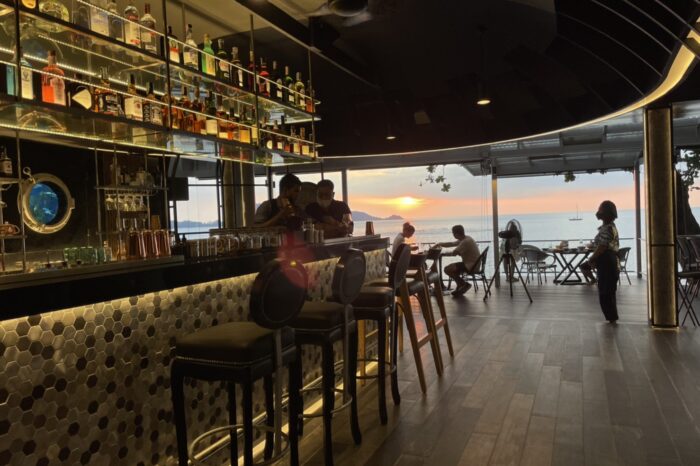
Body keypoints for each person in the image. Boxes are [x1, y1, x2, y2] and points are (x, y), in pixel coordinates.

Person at [580, 200, 620, 323]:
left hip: (607, 261)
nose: (598, 212)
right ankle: (612, 318)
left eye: (600, 209)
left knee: (606, 291)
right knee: (608, 290)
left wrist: (592, 258)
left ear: (606, 212)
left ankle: (612, 318)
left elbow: (602, 246)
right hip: (608, 261)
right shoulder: (609, 227)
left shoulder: (607, 228)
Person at [438, 225, 481, 296]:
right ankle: (460, 286)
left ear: (456, 234)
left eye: (453, 233)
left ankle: (463, 284)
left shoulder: (465, 242)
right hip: (473, 264)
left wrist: (442, 253)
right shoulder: (466, 238)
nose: (453, 234)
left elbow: (454, 253)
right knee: (453, 268)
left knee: (447, 269)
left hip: (471, 266)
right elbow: (452, 244)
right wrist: (440, 244)